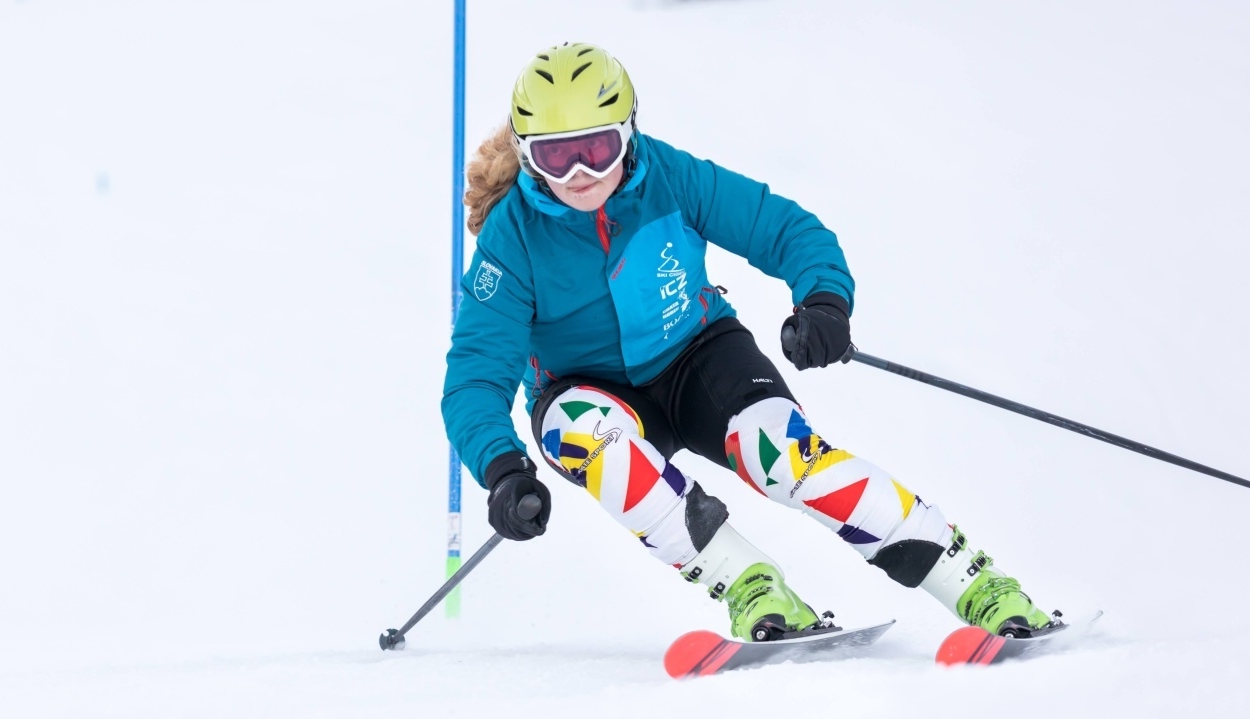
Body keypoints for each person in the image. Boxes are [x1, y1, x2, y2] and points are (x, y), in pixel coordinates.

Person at [443, 42, 1054, 641]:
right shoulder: (512, 239)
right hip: (588, 391)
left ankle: (975, 582)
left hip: (699, 358)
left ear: (628, 133)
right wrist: (503, 469)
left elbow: (782, 227)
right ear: (526, 154)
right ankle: (754, 590)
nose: (579, 175)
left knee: (782, 457)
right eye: (556, 157)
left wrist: (824, 302)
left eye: (597, 149)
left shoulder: (669, 177)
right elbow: (476, 373)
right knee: (585, 433)